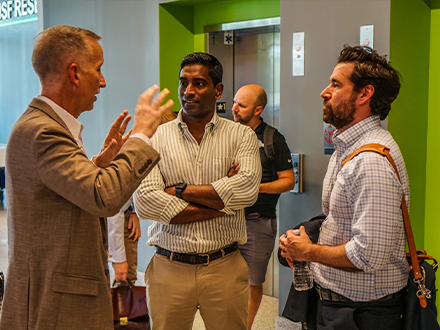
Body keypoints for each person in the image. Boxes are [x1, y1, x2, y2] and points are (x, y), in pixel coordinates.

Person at [0, 25, 173, 330]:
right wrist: (143, 135)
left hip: (58, 296)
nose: (103, 82)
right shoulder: (43, 131)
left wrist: (101, 162)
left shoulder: (47, 126)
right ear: (75, 73)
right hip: (56, 304)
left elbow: (62, 190)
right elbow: (102, 197)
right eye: (99, 69)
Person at [279, 45, 409, 330]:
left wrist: (308, 252)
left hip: (362, 315)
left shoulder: (370, 162)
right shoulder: (347, 148)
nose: (324, 92)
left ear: (365, 94)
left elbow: (368, 255)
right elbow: (343, 218)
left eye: (336, 84)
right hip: (341, 306)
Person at [133, 52, 262, 330]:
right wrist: (221, 201)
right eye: (183, 83)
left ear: (218, 90)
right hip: (169, 268)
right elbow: (145, 202)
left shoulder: (242, 136)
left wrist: (178, 190)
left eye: (199, 83)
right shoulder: (156, 137)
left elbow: (247, 191)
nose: (188, 91)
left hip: (224, 267)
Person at [232, 84, 295, 329]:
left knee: (252, 282)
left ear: (258, 110)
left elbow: (288, 181)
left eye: (242, 105)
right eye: (235, 102)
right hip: (225, 221)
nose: (235, 109)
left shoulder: (273, 139)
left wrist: (254, 187)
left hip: (258, 223)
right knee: (224, 280)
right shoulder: (227, 134)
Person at [108, 109, 177, 284]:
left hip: (125, 212)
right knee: (124, 278)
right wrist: (118, 259)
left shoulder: (166, 154)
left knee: (128, 276)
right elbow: (114, 204)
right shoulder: (139, 153)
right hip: (112, 217)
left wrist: (134, 212)